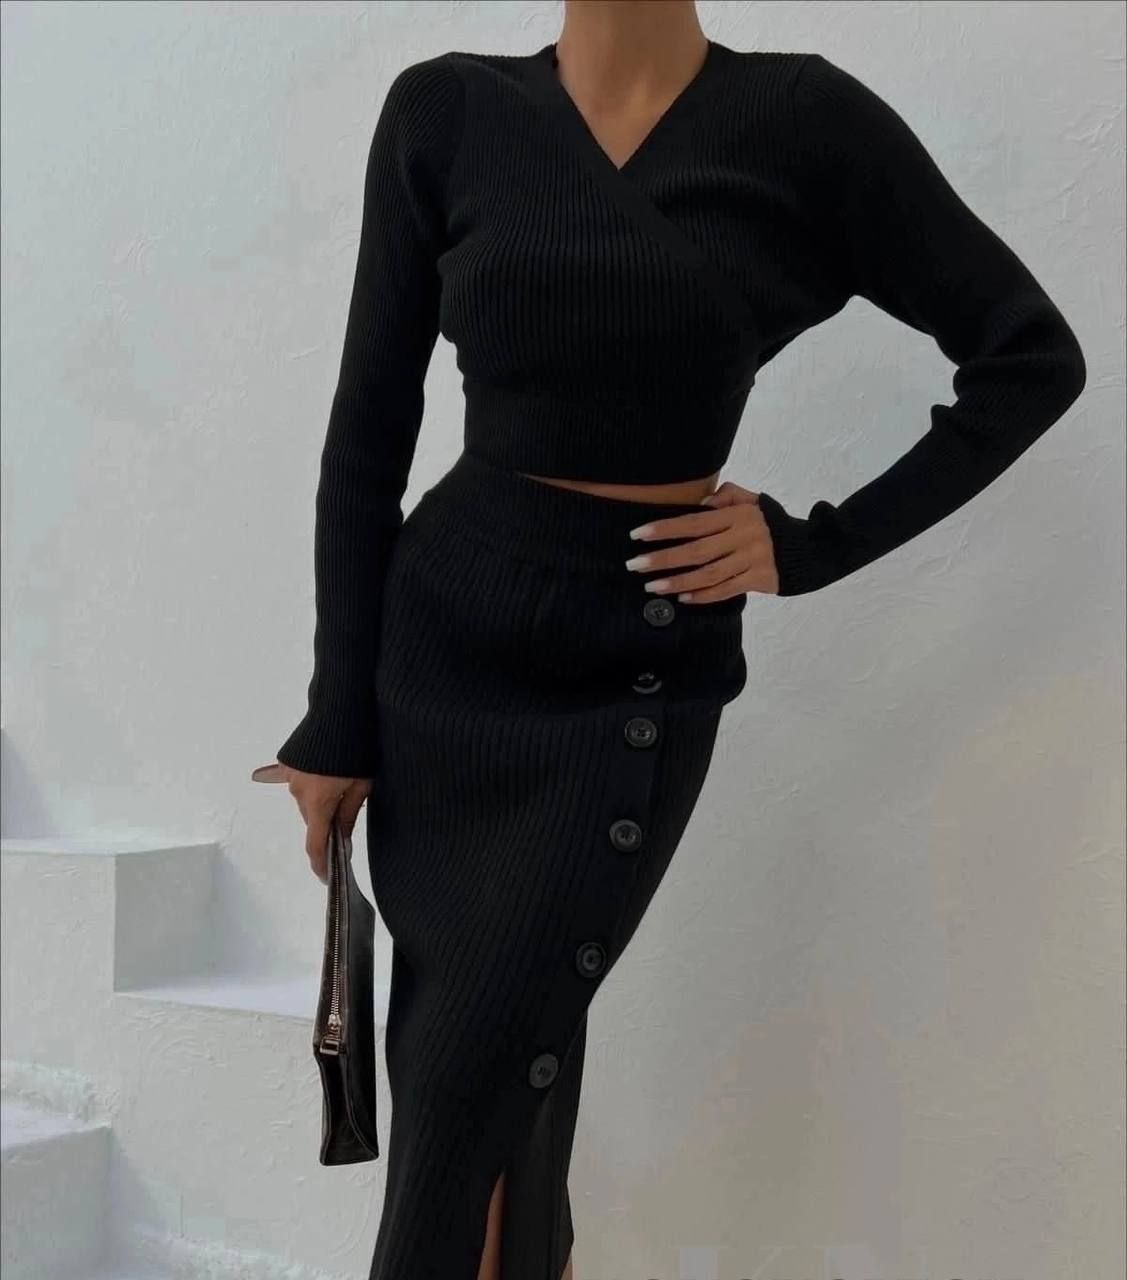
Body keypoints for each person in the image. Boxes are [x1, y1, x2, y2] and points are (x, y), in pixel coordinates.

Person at [263, 2, 1087, 1277]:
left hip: (636, 656)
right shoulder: (447, 110)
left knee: (481, 1059)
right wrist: (336, 717)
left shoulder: (802, 121)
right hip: (444, 646)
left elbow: (1027, 356)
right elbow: (366, 435)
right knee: (464, 1066)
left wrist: (809, 545)